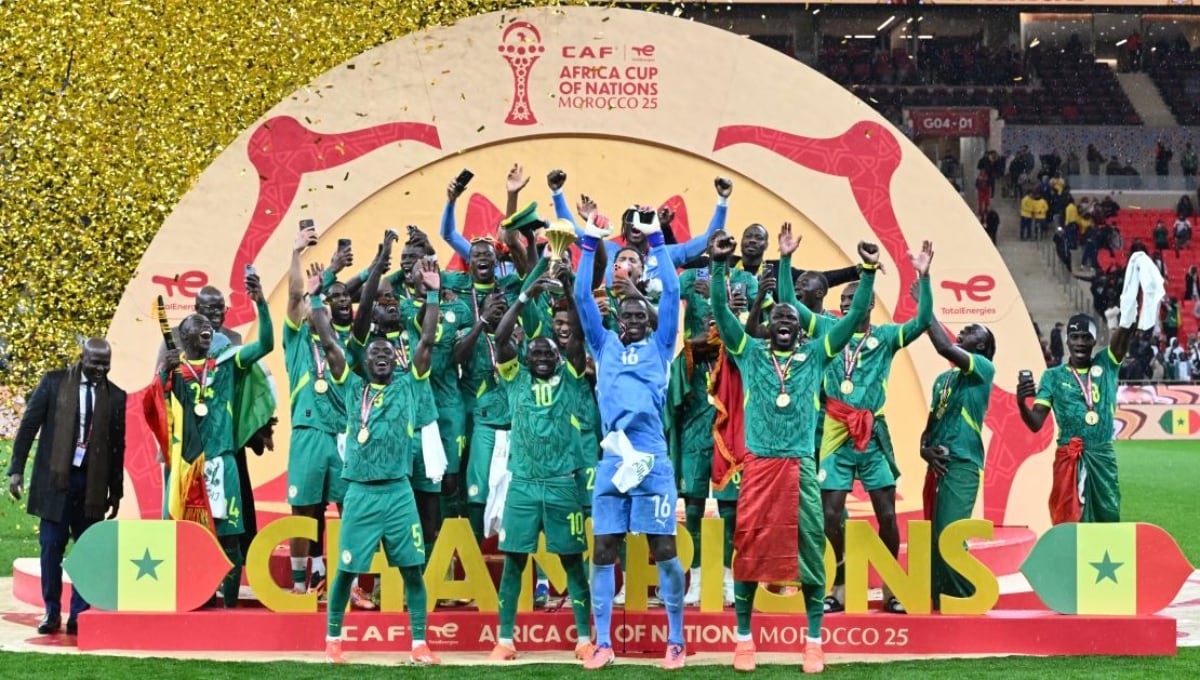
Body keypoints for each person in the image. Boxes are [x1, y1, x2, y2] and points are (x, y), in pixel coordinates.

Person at [711, 223, 880, 673]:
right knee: (748, 551)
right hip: (760, 467)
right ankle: (744, 640)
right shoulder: (749, 352)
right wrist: (716, 267)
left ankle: (813, 641)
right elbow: (724, 318)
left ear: (800, 328)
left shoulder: (818, 352)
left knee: (808, 550)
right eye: (777, 320)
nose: (784, 325)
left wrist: (866, 272)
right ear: (769, 327)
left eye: (791, 320)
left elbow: (852, 317)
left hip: (800, 468)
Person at [316, 235, 442, 666]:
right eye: (375, 353)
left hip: (399, 492)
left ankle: (420, 643)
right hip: (361, 494)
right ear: (366, 361)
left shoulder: (409, 384)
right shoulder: (352, 388)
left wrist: (434, 293)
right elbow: (331, 344)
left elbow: (426, 342)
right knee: (348, 569)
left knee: (411, 570)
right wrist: (316, 297)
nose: (383, 356)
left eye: (389, 352)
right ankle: (333, 640)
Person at [573, 204, 687, 670]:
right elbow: (582, 298)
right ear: (620, 318)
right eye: (629, 314)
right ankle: (603, 643)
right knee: (603, 549)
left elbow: (674, 290)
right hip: (614, 462)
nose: (636, 318)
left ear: (651, 319)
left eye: (643, 313)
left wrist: (657, 241)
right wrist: (586, 242)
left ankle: (676, 641)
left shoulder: (661, 346)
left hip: (652, 462)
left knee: (662, 549)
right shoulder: (605, 346)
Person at [487, 264, 596, 662]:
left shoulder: (569, 378)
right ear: (525, 358)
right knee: (515, 561)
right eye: (535, 352)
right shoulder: (514, 379)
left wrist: (568, 288)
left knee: (572, 563)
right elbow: (500, 338)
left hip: (563, 484)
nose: (543, 356)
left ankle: (583, 638)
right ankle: (505, 640)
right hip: (523, 486)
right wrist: (523, 296)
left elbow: (578, 338)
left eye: (548, 351)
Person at [821, 241, 933, 615]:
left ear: (868, 303)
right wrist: (786, 260)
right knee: (831, 514)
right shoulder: (827, 330)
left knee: (886, 513)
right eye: (842, 300)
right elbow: (792, 303)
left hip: (871, 435)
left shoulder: (884, 338)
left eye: (853, 298)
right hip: (835, 434)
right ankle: (839, 581)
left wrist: (926, 278)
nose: (845, 305)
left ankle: (891, 585)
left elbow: (921, 323)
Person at [159, 268, 275, 608]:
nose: (208, 329)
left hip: (223, 463)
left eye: (210, 327)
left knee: (230, 536)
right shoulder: (174, 371)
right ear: (185, 337)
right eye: (199, 326)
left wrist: (262, 304)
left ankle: (229, 601)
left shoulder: (227, 362)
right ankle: (197, 594)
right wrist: (163, 374)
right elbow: (157, 411)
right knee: (191, 536)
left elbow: (266, 344)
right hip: (188, 466)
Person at [9, 339, 125, 635]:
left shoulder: (116, 396)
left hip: (92, 484)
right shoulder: (53, 382)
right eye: (95, 362)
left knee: (86, 551)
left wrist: (117, 490)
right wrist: (16, 470)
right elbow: (28, 427)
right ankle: (51, 611)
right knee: (51, 548)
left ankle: (78, 613)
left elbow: (116, 447)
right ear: (82, 358)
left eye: (105, 363)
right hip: (56, 482)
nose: (100, 369)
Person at [669, 231, 756, 608]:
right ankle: (697, 578)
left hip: (729, 392)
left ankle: (726, 576)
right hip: (694, 403)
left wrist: (741, 313)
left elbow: (759, 329)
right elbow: (670, 304)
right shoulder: (689, 279)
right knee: (691, 501)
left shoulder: (747, 281)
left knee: (729, 502)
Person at [282, 225, 349, 597]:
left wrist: (333, 276)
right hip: (308, 433)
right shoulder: (295, 340)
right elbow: (294, 296)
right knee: (304, 509)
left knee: (348, 508)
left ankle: (346, 582)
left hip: (340, 433)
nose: (308, 305)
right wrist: (296, 253)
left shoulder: (339, 340)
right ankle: (297, 585)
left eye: (314, 301)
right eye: (308, 303)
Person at [1017, 313, 1133, 523]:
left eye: (1086, 337)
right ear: (1067, 340)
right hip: (1068, 457)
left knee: (1108, 513)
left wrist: (1129, 309)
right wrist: (1021, 403)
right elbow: (1035, 423)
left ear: (1094, 340)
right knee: (1066, 517)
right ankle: (1068, 555)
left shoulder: (1106, 364)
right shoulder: (1052, 376)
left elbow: (1123, 335)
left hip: (1101, 456)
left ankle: (1103, 554)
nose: (1080, 342)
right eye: (1075, 337)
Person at [918, 309, 996, 611]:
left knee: (949, 534)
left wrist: (925, 306)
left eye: (970, 330)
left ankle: (967, 597)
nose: (962, 332)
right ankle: (940, 599)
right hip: (936, 466)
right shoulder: (943, 379)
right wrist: (923, 449)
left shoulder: (984, 369)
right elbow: (930, 425)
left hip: (963, 463)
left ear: (982, 347)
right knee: (933, 536)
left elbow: (943, 346)